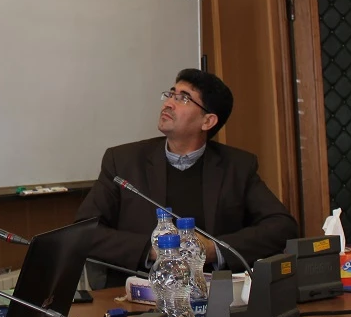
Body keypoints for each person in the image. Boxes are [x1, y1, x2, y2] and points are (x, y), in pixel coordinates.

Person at [75, 68, 298, 279]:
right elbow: (84, 232)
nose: (168, 103)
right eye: (171, 94)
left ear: (207, 121)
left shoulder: (237, 167)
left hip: (211, 292)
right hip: (137, 291)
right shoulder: (123, 162)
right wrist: (151, 250)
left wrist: (213, 249)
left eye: (183, 98)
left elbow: (282, 226)